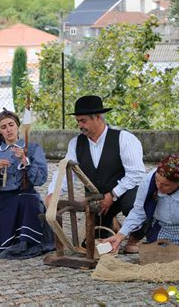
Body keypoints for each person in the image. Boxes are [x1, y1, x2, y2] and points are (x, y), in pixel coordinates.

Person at [45, 95, 146, 253]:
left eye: (83, 121)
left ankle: (134, 238)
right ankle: (112, 223)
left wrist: (112, 195)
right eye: (78, 121)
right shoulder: (76, 143)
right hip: (98, 200)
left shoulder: (124, 139)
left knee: (137, 203)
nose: (79, 125)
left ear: (98, 117)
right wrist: (53, 193)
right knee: (93, 245)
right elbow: (66, 171)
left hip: (123, 194)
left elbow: (137, 173)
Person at [0, 109, 54, 259]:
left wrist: (25, 161)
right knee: (6, 204)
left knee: (28, 201)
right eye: (3, 127)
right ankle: (9, 239)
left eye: (11, 125)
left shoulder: (33, 149)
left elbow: (40, 180)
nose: (8, 129)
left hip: (27, 196)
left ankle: (25, 241)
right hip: (4, 199)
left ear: (17, 127)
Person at [103, 155, 179, 254]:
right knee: (160, 256)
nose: (158, 186)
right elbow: (139, 211)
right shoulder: (149, 181)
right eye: (157, 180)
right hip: (164, 226)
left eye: (165, 185)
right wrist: (120, 235)